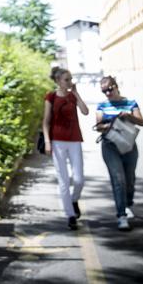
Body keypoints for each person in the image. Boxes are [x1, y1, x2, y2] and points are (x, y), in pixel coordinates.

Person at [95, 76, 143, 231]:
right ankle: (121, 215)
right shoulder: (102, 105)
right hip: (110, 146)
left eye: (110, 89)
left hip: (129, 145)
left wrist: (128, 115)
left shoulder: (130, 103)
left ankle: (128, 203)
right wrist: (112, 124)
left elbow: (141, 121)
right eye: (104, 91)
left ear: (116, 86)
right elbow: (98, 126)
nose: (108, 93)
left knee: (129, 180)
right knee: (118, 179)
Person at [42, 67, 89, 230]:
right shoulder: (51, 96)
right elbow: (46, 121)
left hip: (75, 140)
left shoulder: (72, 96)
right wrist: (48, 142)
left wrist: (76, 94)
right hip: (57, 142)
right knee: (63, 180)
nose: (70, 82)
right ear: (58, 81)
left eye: (70, 79)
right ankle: (70, 215)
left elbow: (85, 111)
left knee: (79, 179)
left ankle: (74, 200)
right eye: (66, 79)